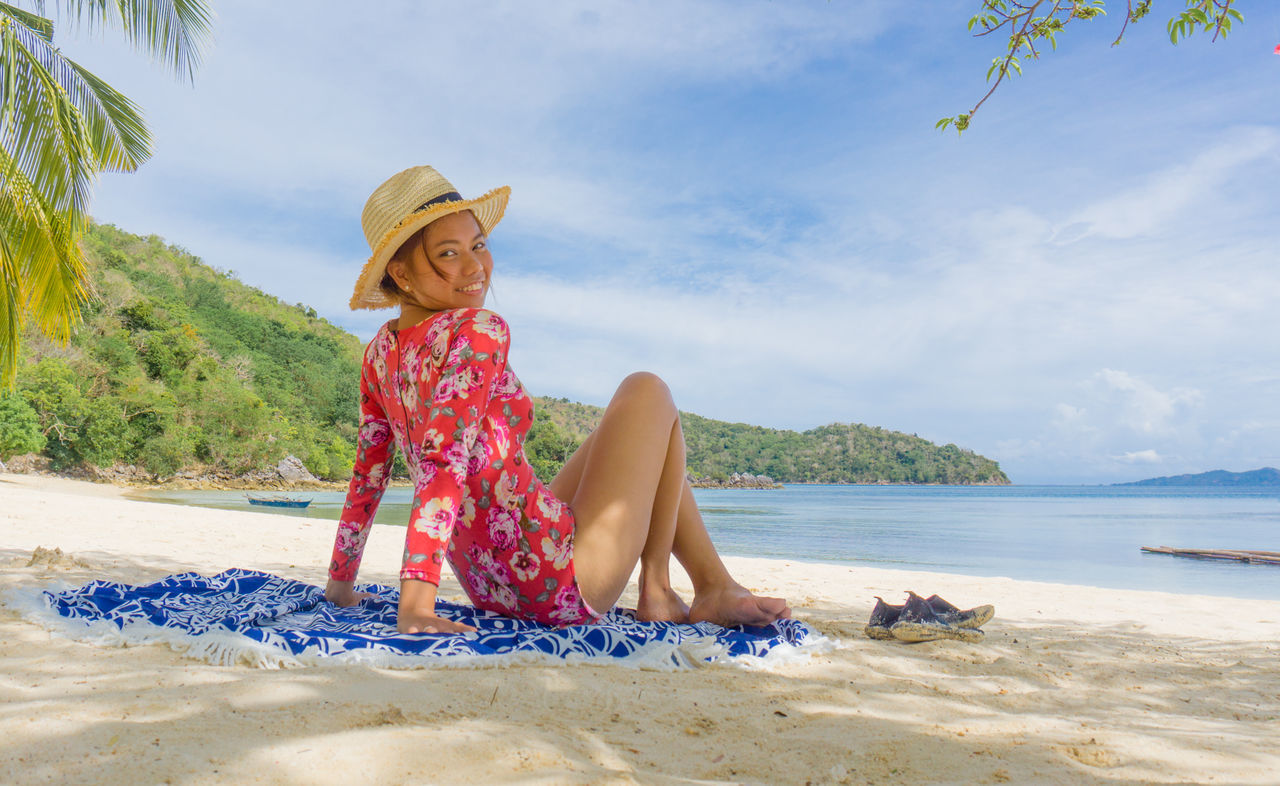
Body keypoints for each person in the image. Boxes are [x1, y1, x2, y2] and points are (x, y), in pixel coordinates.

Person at [324, 165, 791, 634]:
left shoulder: (381, 354)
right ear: (401, 274)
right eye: (449, 253)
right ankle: (664, 587)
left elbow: (369, 472)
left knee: (632, 435)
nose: (474, 268)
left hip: (490, 584)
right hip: (559, 584)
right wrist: (417, 605)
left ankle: (690, 586)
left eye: (479, 246)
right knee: (647, 389)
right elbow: (442, 459)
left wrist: (340, 583)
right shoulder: (478, 331)